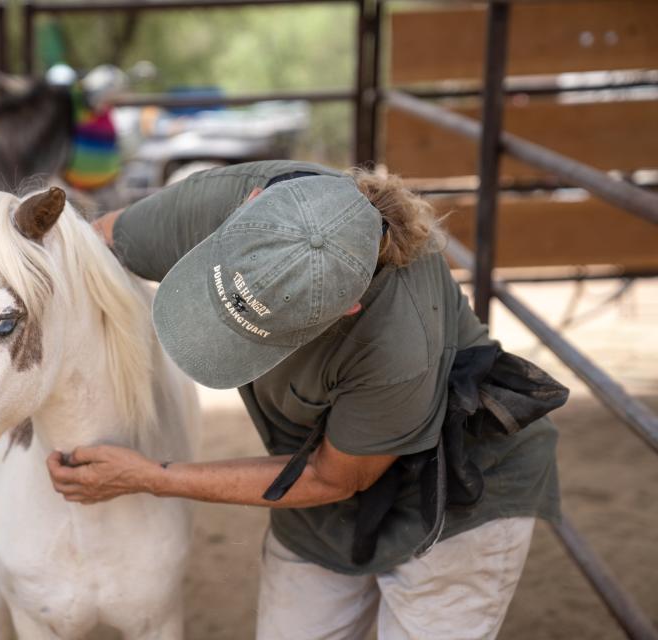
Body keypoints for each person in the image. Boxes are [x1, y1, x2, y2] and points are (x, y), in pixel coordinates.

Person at [45, 160, 564, 639]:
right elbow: (88, 249)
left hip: (455, 494)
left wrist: (149, 476)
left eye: (254, 333)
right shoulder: (222, 198)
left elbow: (335, 477)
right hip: (317, 474)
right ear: (249, 204)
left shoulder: (395, 344)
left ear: (348, 306)